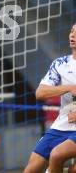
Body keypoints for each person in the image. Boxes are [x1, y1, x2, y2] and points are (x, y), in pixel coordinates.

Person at [23, 23, 76, 173]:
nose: (73, 35)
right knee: (30, 170)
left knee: (58, 155)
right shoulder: (60, 64)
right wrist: (68, 88)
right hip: (61, 126)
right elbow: (40, 93)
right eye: (72, 31)